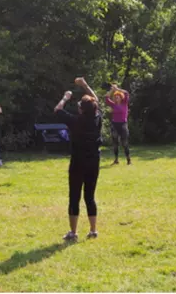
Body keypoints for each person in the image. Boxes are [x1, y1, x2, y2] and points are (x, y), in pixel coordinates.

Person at [55, 77, 102, 241]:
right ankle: (93, 230)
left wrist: (65, 97)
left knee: (74, 196)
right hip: (94, 161)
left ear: (81, 109)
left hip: (77, 162)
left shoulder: (75, 121)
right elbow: (95, 100)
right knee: (90, 196)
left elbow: (58, 110)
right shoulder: (97, 118)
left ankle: (73, 233)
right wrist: (85, 86)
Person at [104, 84, 131, 165]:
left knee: (124, 143)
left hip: (123, 124)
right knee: (115, 143)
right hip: (114, 124)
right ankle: (116, 160)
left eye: (117, 96)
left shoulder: (125, 103)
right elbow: (106, 97)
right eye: (115, 97)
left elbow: (126, 93)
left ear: (121, 97)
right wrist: (112, 90)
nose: (116, 98)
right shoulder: (113, 104)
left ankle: (128, 160)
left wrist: (117, 89)